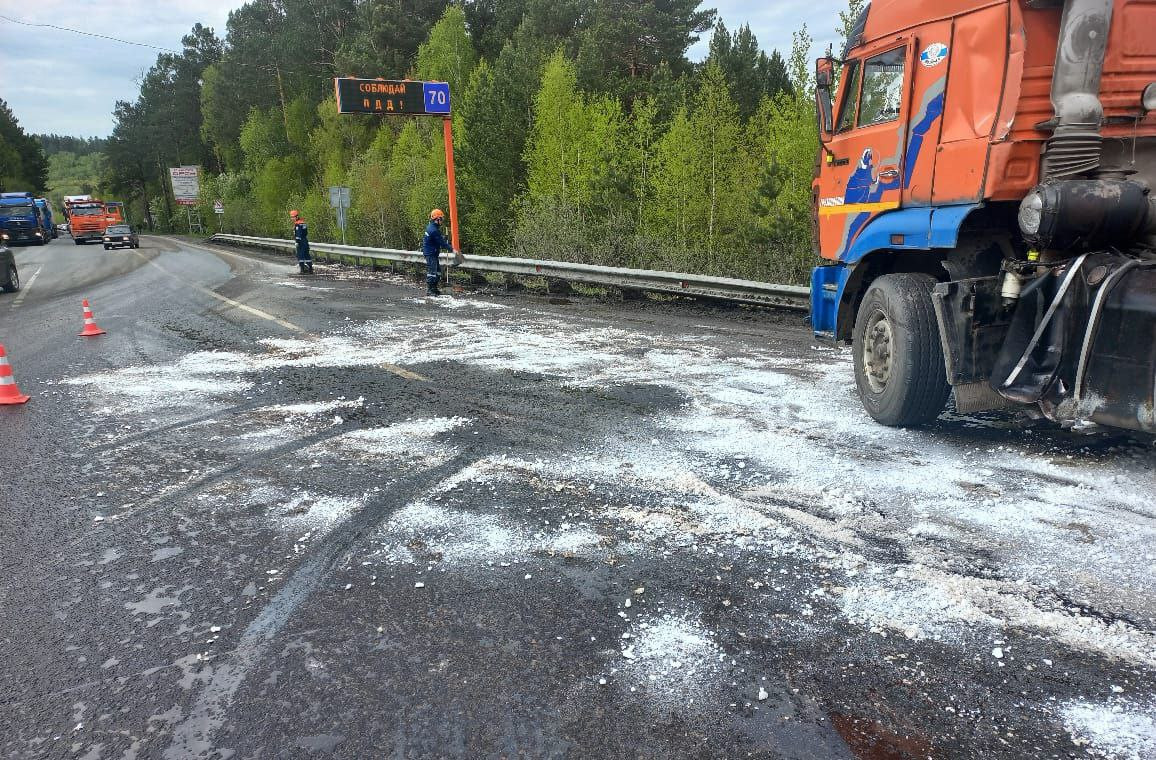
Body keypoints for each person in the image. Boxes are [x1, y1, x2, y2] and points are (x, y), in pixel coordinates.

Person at [421, 209, 453, 296]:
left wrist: (443, 238)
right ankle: (430, 290)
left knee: (437, 271)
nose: (442, 221)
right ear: (437, 219)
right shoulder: (434, 230)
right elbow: (442, 243)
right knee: (432, 272)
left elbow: (438, 240)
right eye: (441, 219)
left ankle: (434, 288)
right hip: (430, 253)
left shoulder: (432, 227)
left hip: (432, 252)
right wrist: (453, 249)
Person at [289, 210, 313, 274]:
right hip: (305, 240)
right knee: (307, 255)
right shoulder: (303, 222)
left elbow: (298, 235)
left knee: (300, 255)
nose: (292, 219)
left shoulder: (297, 224)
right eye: (291, 217)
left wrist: (297, 242)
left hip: (300, 242)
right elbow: (306, 232)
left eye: (293, 217)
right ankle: (310, 269)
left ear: (296, 216)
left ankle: (302, 270)